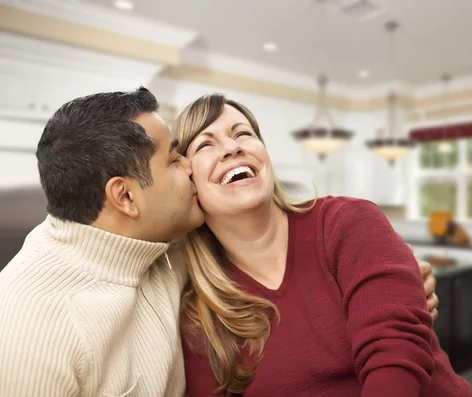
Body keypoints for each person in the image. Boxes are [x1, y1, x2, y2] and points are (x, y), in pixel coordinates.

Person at [0, 87, 439, 397]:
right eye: (182, 156)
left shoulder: (161, 251)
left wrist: (396, 283)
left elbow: (394, 333)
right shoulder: (30, 325)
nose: (228, 151)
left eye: (244, 134)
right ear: (127, 197)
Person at [173, 93, 472, 397]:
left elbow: (396, 358)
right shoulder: (201, 316)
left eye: (243, 134)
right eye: (206, 144)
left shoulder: (348, 221)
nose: (232, 147)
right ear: (188, 181)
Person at [0, 87, 204, 396]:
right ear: (125, 196)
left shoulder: (160, 242)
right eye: (174, 159)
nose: (190, 165)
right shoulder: (30, 324)